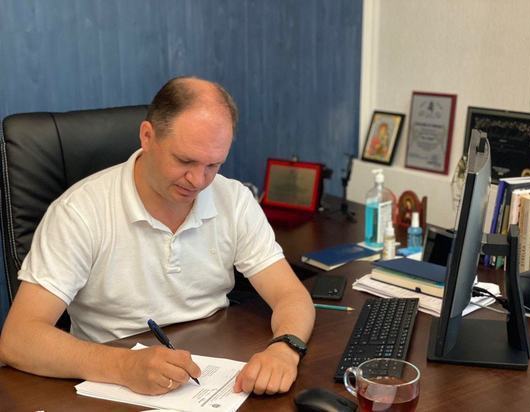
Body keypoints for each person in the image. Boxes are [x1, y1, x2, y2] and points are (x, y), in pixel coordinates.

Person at [0, 76, 315, 396]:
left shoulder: (232, 200)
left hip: (213, 378)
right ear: (148, 136)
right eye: (185, 161)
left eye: (213, 165)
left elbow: (291, 295)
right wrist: (124, 366)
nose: (198, 180)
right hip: (110, 384)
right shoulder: (80, 212)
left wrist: (285, 349)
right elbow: (18, 339)